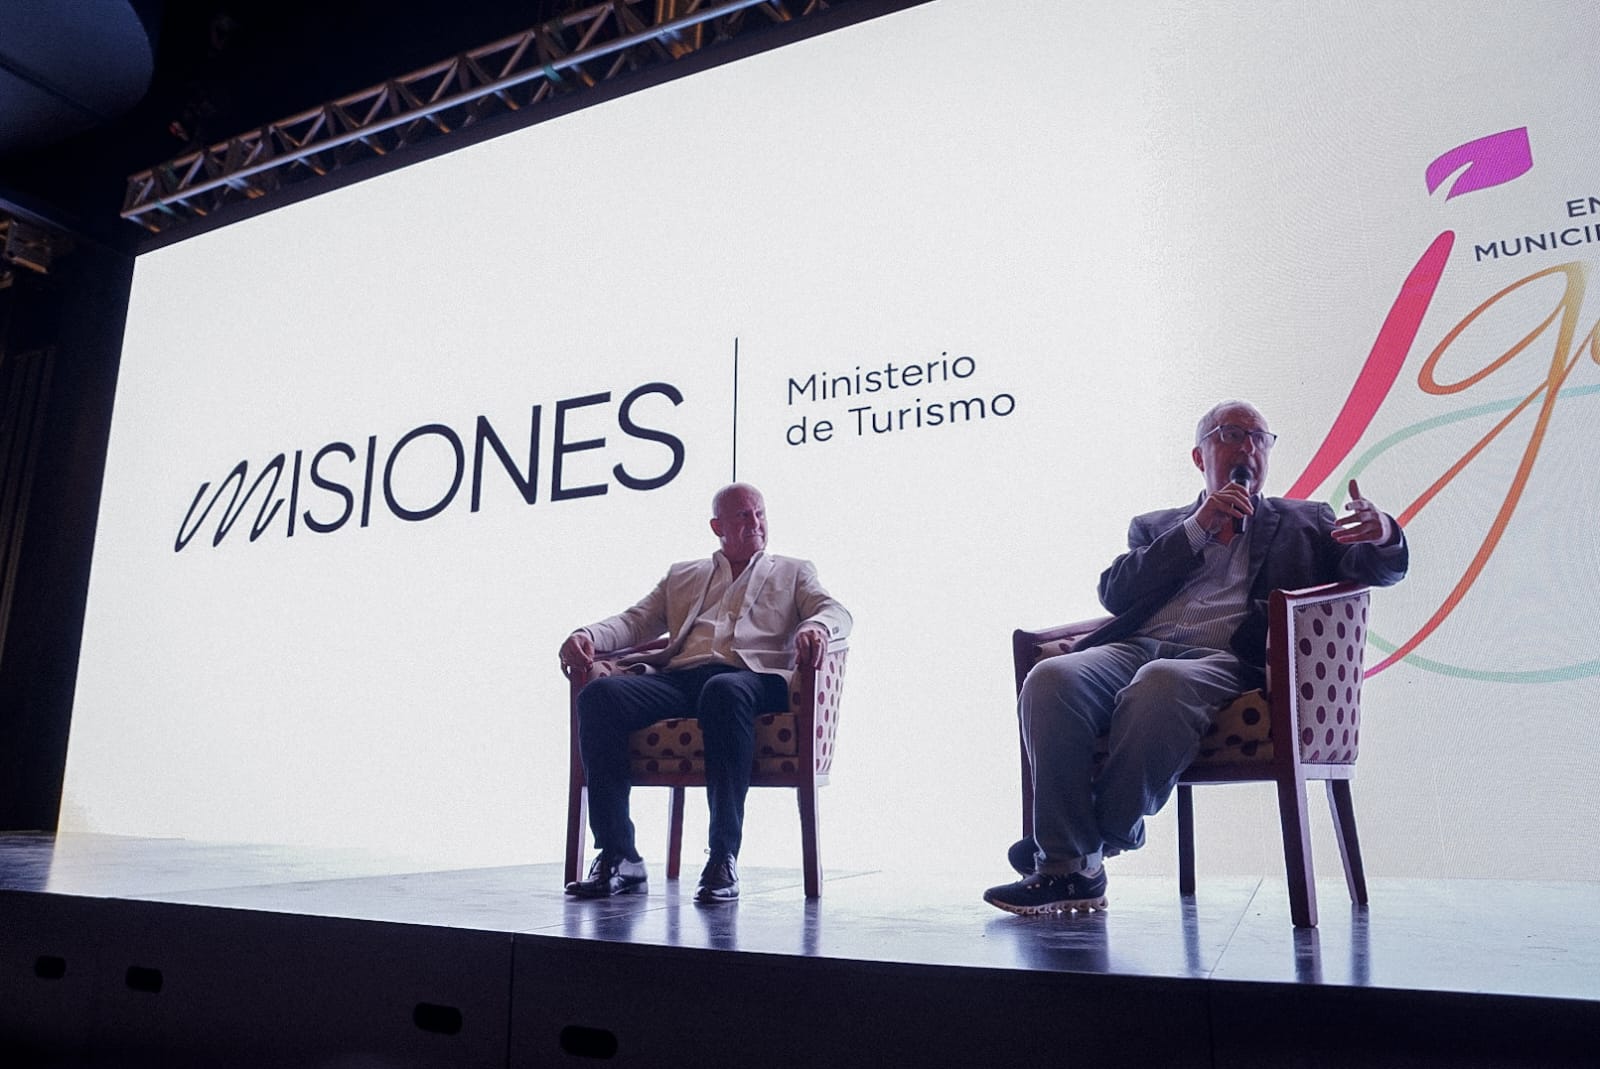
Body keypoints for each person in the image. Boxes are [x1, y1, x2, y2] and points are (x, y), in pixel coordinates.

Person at [984, 400, 1408, 915]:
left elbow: (1372, 569)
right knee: (1051, 677)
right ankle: (1075, 867)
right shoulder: (1156, 525)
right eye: (1232, 434)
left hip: (1227, 657)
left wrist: (1384, 533)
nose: (1248, 447)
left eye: (1260, 438)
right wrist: (1198, 527)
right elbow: (1115, 594)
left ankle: (1074, 854)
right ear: (1198, 455)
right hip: (1133, 648)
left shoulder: (1304, 519)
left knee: (1161, 682)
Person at [560, 483, 851, 904]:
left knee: (723, 690)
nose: (755, 522)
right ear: (717, 526)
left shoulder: (793, 571)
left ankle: (722, 857)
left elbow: (835, 611)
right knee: (599, 696)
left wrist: (816, 626)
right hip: (683, 678)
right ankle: (619, 855)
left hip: (753, 678)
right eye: (742, 516)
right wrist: (585, 634)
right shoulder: (683, 575)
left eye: (759, 514)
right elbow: (634, 622)